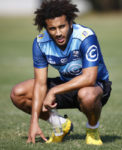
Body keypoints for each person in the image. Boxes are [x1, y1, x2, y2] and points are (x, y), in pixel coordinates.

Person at [10, 0, 112, 146]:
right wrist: (33, 122)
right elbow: (40, 84)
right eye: (52, 29)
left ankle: (92, 130)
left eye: (62, 26)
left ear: (70, 23)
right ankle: (60, 124)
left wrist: (54, 91)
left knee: (87, 95)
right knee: (18, 93)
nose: (58, 33)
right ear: (45, 28)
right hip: (66, 84)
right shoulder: (40, 43)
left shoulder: (85, 36)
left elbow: (89, 78)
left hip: (95, 86)